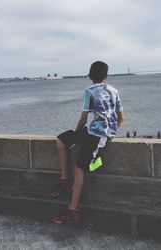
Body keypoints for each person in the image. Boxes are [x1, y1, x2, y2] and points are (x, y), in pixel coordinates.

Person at [51, 61, 124, 224]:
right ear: (106, 75)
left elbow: (83, 119)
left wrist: (77, 134)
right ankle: (64, 181)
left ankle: (73, 209)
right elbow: (121, 118)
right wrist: (112, 132)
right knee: (64, 143)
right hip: (99, 132)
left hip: (97, 134)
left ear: (90, 75)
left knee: (65, 147)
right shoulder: (114, 91)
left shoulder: (89, 91)